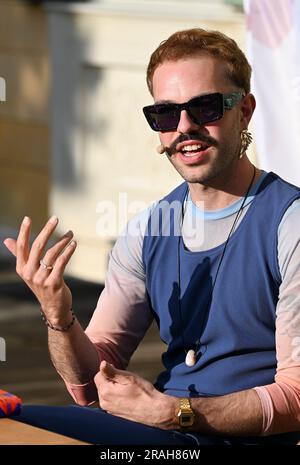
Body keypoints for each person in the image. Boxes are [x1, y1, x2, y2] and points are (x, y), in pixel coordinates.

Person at [3, 28, 300, 445]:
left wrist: (174, 413)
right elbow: (90, 385)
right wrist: (59, 318)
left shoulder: (290, 223)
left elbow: (297, 397)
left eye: (206, 108)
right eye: (165, 114)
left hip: (230, 438)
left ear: (245, 111)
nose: (184, 127)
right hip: (162, 435)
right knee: (12, 425)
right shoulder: (148, 228)